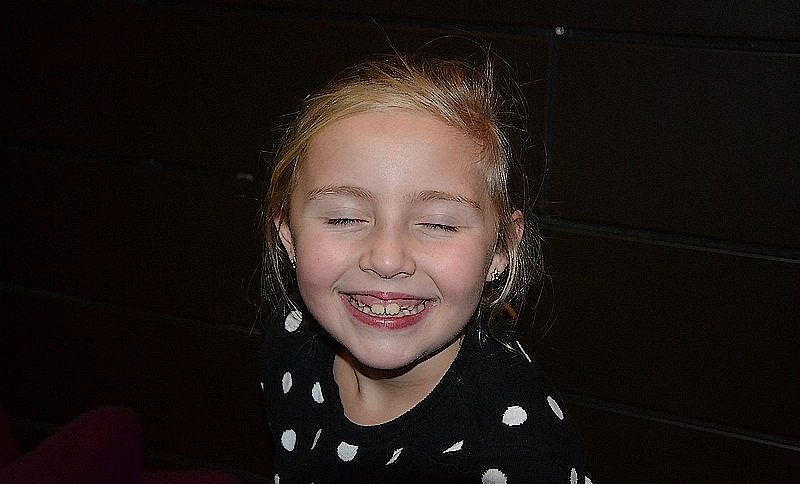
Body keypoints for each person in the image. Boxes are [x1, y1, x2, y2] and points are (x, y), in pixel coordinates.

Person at [259, 50, 591, 484]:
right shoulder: (291, 339)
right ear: (289, 236)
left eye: (438, 224)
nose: (386, 259)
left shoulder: (514, 461)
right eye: (343, 218)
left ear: (500, 250)